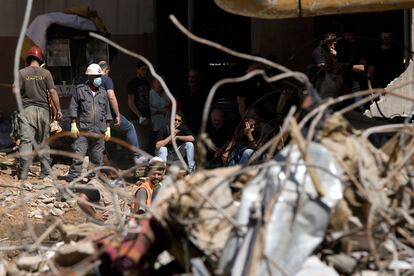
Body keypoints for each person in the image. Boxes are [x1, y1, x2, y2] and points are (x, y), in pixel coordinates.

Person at [15, 46, 62, 180]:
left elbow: (15, 90)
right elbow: (52, 92)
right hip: (43, 111)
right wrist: (58, 110)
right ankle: (45, 172)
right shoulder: (46, 73)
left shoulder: (21, 73)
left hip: (27, 110)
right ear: (40, 59)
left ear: (28, 59)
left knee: (26, 142)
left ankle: (23, 173)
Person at [65, 64, 112, 182]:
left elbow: (107, 111)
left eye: (99, 76)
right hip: (83, 131)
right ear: (89, 77)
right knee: (78, 158)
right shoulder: (80, 90)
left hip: (99, 131)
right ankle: (72, 184)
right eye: (96, 76)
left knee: (96, 160)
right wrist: (73, 124)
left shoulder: (103, 92)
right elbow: (73, 107)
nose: (98, 79)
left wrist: (108, 127)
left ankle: (93, 184)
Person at [98, 61, 145, 164]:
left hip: (90, 117)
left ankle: (109, 162)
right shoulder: (106, 79)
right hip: (107, 115)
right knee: (129, 128)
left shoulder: (87, 81)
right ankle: (137, 156)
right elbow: (111, 97)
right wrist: (117, 115)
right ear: (106, 71)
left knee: (106, 137)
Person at [127, 61, 152, 154]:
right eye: (142, 69)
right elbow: (130, 102)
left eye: (146, 70)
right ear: (137, 70)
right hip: (137, 117)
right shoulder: (133, 83)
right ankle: (141, 165)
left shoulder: (147, 83)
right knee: (140, 143)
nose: (145, 72)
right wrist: (140, 116)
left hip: (148, 116)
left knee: (148, 142)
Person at [180, 68, 208, 134]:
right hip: (184, 128)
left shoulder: (204, 94)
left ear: (199, 79)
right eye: (189, 77)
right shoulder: (184, 92)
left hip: (198, 129)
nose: (190, 79)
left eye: (193, 77)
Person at [149, 77, 170, 155]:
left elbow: (170, 105)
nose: (160, 85)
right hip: (154, 122)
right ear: (154, 83)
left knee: (163, 142)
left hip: (164, 122)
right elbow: (148, 109)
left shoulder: (165, 94)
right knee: (153, 140)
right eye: (158, 83)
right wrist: (160, 110)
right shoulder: (150, 94)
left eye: (162, 83)